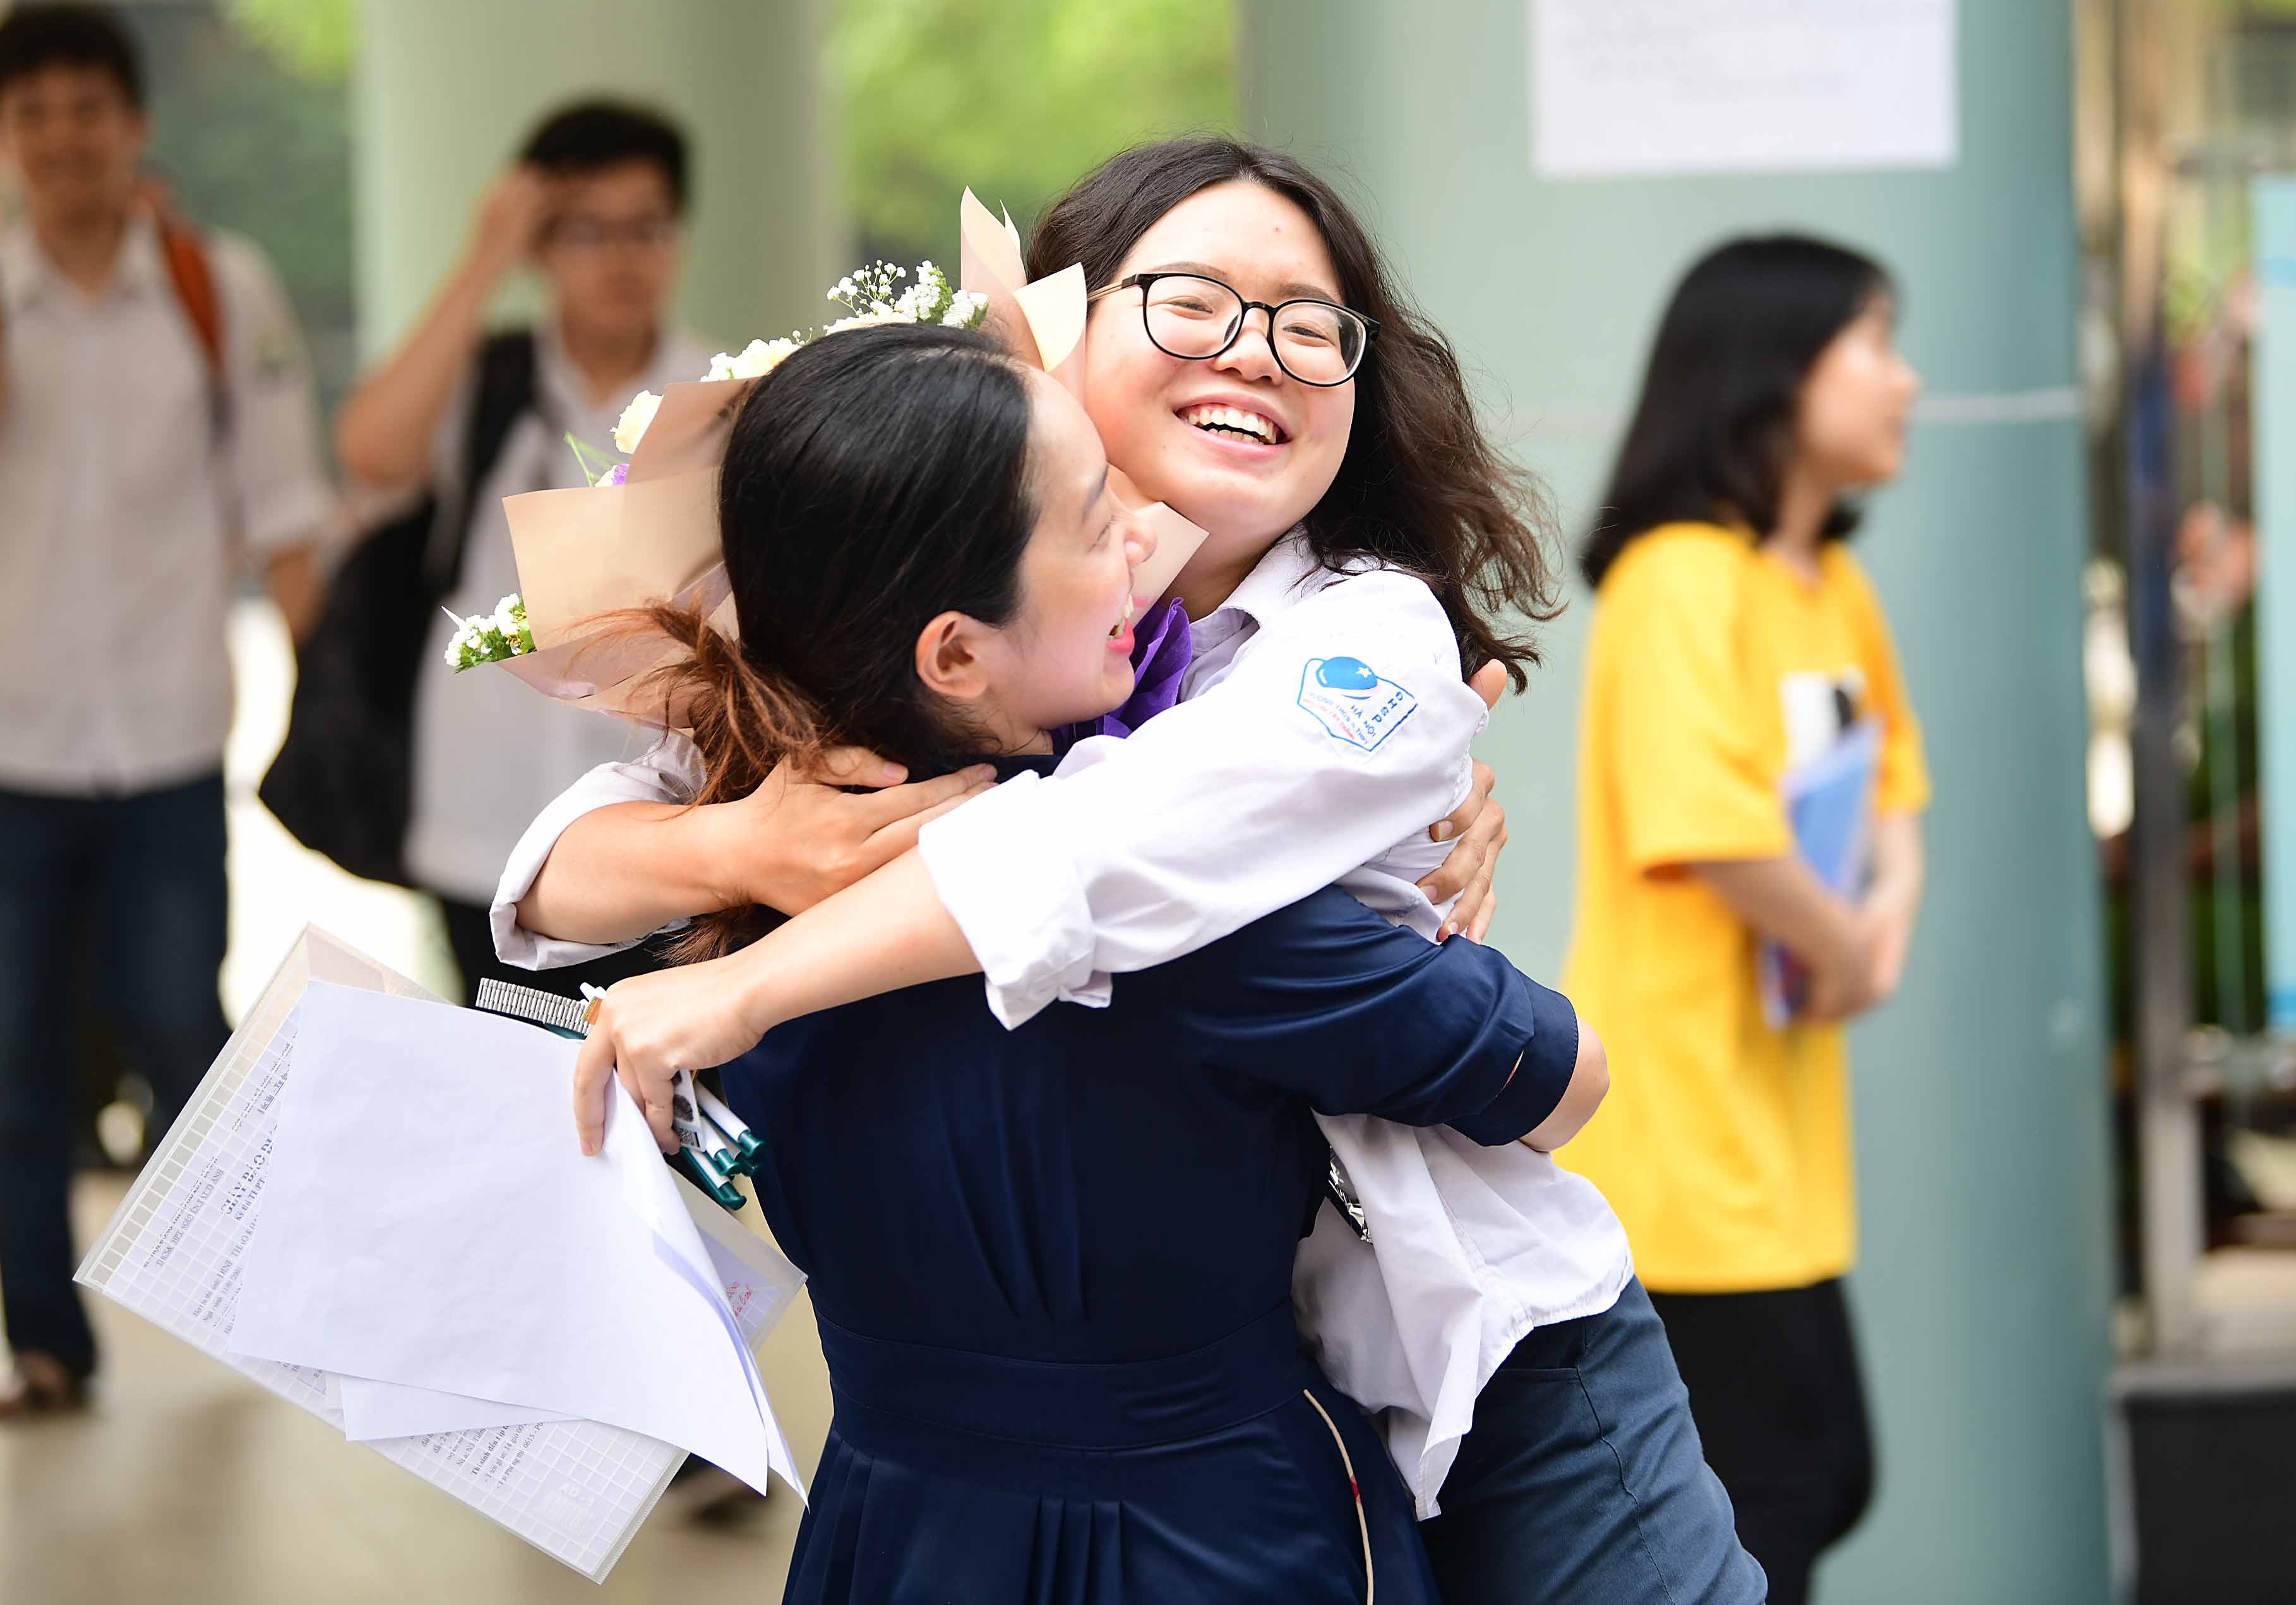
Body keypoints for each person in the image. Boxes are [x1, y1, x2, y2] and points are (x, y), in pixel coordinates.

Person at [520, 141, 1762, 1602]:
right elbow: (556, 872)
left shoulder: (1369, 636)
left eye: (1311, 324)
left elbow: (1127, 841)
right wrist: (747, 841)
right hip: (1190, 1422)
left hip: (1474, 1346)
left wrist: (750, 980)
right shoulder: (950, 633)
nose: (1258, 350)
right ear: (1052, 328)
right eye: (1194, 301)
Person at [1557, 234, 1930, 1605]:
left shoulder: (1831, 585)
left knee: (1815, 1474)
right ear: (1774, 370)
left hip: (1781, 1135)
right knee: (1776, 1492)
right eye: (1874, 342)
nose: (1906, 380)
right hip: (1680, 1141)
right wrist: (1847, 942)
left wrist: (1880, 922)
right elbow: (1709, 831)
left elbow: (1894, 783)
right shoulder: (1678, 579)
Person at [331, 99, 896, 1002]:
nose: (622, 258)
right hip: (487, 798)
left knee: (653, 1059)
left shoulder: (728, 391)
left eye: (647, 228)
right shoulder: (485, 382)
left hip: (666, 817)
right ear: (539, 244)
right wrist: (483, 260)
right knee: (505, 1053)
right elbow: (369, 451)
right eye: (587, 232)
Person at [0, 2, 330, 1417]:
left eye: (87, 108)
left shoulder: (216, 286)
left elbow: (283, 501)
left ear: (134, 123)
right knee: (12, 1058)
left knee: (177, 1024)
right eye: (31, 113)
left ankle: (258, 1297)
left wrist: (327, 702)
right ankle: (44, 1341)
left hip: (168, 737)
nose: (62, 137)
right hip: (12, 744)